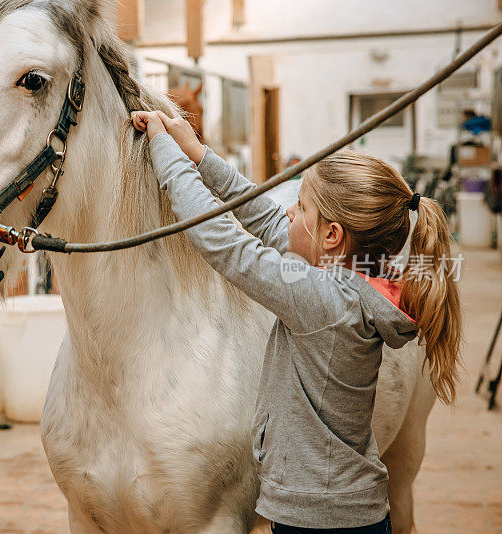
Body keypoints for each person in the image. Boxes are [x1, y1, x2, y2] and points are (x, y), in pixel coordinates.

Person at [131, 110, 462, 533]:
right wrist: (198, 154)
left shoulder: (322, 301)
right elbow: (268, 221)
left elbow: (226, 246)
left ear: (332, 236)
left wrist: (166, 154)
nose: (287, 212)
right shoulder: (350, 283)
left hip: (318, 520)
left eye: (300, 206)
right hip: (341, 511)